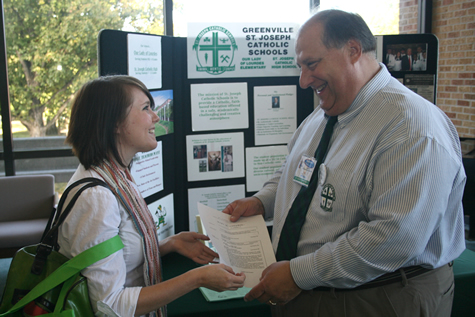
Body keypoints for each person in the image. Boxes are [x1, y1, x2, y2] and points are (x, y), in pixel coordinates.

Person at [223, 9, 466, 317]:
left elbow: (394, 238)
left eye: (311, 64)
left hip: (379, 298)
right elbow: (296, 173)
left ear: (353, 50)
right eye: (301, 67)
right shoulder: (324, 114)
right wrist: (261, 202)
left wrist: (299, 274)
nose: (303, 80)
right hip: (308, 290)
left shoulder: (412, 127)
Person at [59, 75, 245, 317]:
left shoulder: (116, 176)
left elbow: (119, 256)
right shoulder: (97, 197)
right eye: (146, 108)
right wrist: (196, 278)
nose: (156, 117)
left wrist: (169, 243)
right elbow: (110, 306)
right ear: (114, 122)